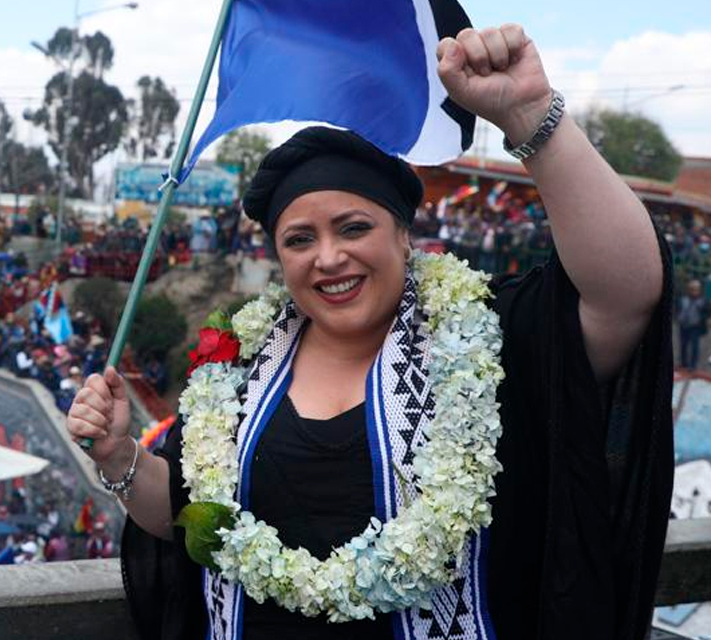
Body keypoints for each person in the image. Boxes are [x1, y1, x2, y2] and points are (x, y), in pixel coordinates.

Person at [67, 23, 671, 640]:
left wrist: (531, 115)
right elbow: (183, 512)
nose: (327, 258)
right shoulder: (239, 364)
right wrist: (120, 457)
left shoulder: (490, 337)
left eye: (353, 228)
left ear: (404, 234)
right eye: (299, 240)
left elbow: (625, 292)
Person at [677, 278, 708, 369]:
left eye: (696, 289)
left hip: (695, 326)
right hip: (683, 326)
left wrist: (706, 319)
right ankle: (683, 363)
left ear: (699, 290)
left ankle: (693, 365)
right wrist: (678, 316)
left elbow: (707, 312)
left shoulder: (702, 301)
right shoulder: (683, 299)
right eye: (691, 289)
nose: (693, 291)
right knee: (683, 345)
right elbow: (678, 308)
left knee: (695, 346)